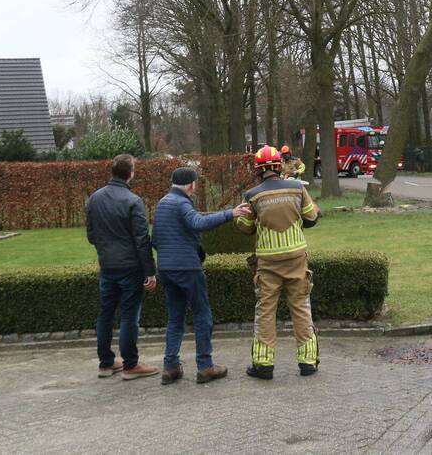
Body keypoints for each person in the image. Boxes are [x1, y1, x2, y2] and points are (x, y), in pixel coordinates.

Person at [151, 167, 251, 385]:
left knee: (175, 318)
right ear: (190, 185)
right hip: (187, 269)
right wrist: (230, 213)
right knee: (202, 315)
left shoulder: (163, 203)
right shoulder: (182, 203)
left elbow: (155, 239)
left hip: (166, 269)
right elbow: (198, 223)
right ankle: (205, 367)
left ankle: (170, 367)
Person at [237, 146, 322, 379]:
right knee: (301, 308)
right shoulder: (296, 188)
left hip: (267, 262)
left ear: (258, 170)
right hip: (296, 259)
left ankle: (263, 365)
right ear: (278, 166)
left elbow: (244, 228)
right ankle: (307, 363)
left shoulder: (252, 195)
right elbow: (311, 218)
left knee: (265, 311)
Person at [85, 154, 160, 380]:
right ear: (131, 173)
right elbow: (141, 239)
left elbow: (91, 236)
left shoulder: (94, 199)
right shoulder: (133, 201)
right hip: (130, 268)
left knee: (106, 314)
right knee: (129, 316)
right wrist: (150, 271)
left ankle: (106, 363)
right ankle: (130, 365)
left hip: (107, 266)